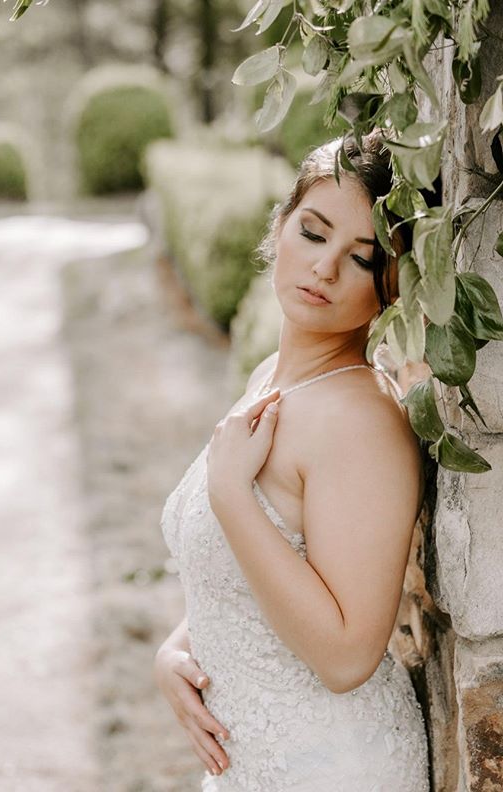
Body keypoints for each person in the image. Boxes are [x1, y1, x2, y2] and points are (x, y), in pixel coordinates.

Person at [153, 128, 430, 791]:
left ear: (390, 286)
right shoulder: (271, 376)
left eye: (361, 258)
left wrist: (230, 495)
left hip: (333, 769)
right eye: (313, 232)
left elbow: (346, 654)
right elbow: (263, 580)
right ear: (280, 226)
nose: (324, 268)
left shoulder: (360, 424)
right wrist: (179, 649)